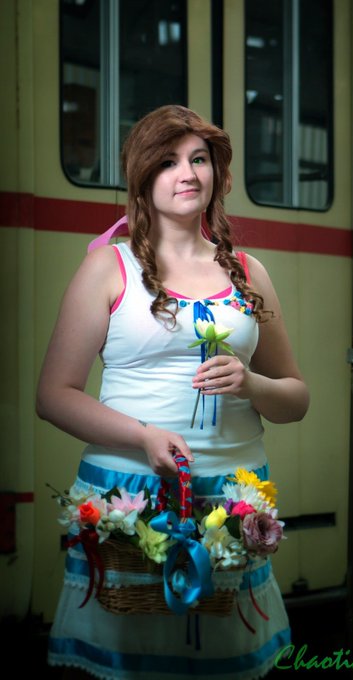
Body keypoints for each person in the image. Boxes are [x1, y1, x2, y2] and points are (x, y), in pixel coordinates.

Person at [37, 104, 310, 680]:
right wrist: (143, 437)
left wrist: (252, 382)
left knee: (222, 665)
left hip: (232, 502)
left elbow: (296, 399)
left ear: (217, 173)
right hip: (129, 498)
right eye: (167, 162)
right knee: (130, 662)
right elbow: (54, 395)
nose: (187, 173)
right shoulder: (107, 268)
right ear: (143, 177)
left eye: (198, 159)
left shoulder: (249, 272)